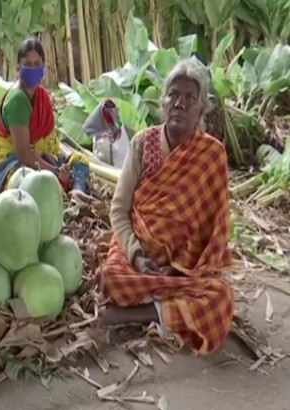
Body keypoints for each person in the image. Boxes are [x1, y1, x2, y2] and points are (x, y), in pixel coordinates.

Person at [96, 59, 235, 355]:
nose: (180, 104)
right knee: (110, 278)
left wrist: (182, 268)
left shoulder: (212, 155)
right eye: (174, 95)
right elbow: (119, 210)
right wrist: (135, 255)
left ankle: (135, 315)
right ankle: (169, 310)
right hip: (141, 256)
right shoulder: (142, 143)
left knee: (220, 298)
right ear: (163, 102)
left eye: (190, 98)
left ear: (201, 109)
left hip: (184, 269)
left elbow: (216, 232)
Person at [0, 37, 90, 196]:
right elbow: (24, 155)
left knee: (79, 161)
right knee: (30, 183)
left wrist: (59, 167)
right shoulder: (17, 100)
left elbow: (49, 144)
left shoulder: (41, 95)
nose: (33, 68)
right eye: (28, 64)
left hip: (41, 157)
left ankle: (77, 191)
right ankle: (65, 188)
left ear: (43, 67)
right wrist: (56, 172)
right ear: (18, 68)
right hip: (13, 165)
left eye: (37, 64)